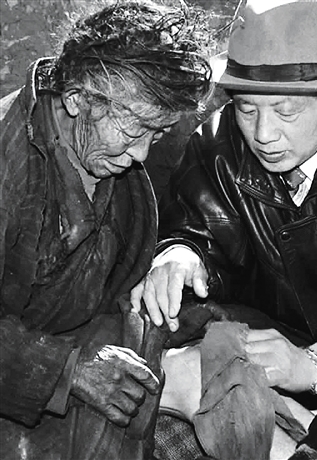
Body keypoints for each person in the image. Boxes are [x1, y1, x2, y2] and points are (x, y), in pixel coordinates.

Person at [131, 0, 317, 459]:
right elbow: (198, 232)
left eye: (285, 111)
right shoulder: (216, 147)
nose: (264, 134)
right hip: (283, 350)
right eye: (247, 109)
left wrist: (316, 363)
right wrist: (180, 253)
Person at [0, 1, 213, 459]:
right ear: (77, 97)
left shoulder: (112, 160)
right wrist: (69, 372)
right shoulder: (8, 162)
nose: (142, 154)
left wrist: (165, 267)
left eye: (158, 133)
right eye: (136, 129)